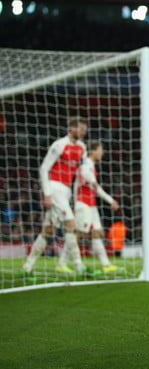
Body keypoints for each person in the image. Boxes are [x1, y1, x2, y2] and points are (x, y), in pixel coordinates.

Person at [21, 118, 100, 282]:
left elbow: (84, 168)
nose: (84, 132)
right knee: (70, 224)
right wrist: (47, 193)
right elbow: (44, 168)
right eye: (81, 129)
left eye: (85, 129)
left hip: (67, 191)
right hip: (55, 188)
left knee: (48, 231)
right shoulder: (59, 145)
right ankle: (80, 267)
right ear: (71, 128)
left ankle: (27, 267)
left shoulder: (82, 147)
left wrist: (91, 180)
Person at [69, 141, 122, 273]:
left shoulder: (90, 165)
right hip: (83, 203)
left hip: (91, 204)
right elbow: (94, 187)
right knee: (79, 234)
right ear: (93, 151)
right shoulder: (86, 164)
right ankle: (63, 263)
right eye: (100, 150)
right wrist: (111, 200)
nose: (102, 153)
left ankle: (106, 265)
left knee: (97, 233)